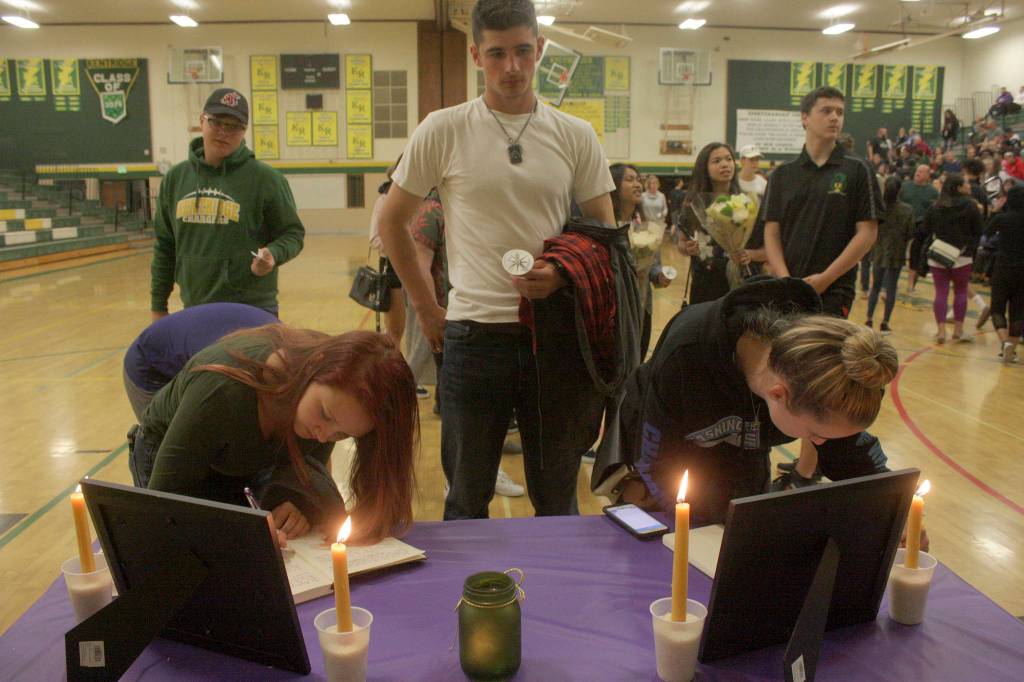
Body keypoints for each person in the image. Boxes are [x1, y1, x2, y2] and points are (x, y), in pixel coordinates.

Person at [377, 0, 616, 520]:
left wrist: (564, 274)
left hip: (553, 337)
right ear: (476, 55)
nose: (512, 67)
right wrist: (424, 307)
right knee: (466, 496)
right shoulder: (443, 129)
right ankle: (469, 600)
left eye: (524, 52)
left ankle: (558, 599)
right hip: (471, 335)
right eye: (498, 53)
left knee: (556, 495)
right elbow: (390, 222)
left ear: (541, 51)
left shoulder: (576, 135)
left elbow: (606, 237)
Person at [608, 276, 899, 526]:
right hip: (668, 465)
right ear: (777, 394)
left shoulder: (812, 376)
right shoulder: (687, 354)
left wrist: (893, 509)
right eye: (815, 436)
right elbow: (656, 459)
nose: (821, 443)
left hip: (744, 463)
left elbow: (851, 454)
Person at [128, 325, 418, 544]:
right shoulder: (221, 392)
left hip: (238, 457)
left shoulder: (327, 404)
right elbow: (164, 502)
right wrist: (241, 534)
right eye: (325, 414)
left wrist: (295, 504)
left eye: (341, 434)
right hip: (165, 455)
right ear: (313, 367)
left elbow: (304, 470)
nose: (322, 435)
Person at [762, 85, 881, 484]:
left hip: (833, 291)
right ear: (805, 117)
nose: (835, 118)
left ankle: (808, 468)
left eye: (840, 112)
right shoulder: (783, 174)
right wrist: (784, 279)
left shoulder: (857, 171)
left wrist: (825, 278)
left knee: (820, 380)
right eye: (826, 110)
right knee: (785, 373)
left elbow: (866, 234)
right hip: (787, 291)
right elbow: (772, 232)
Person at [151, 89, 305, 320]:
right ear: (202, 121)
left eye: (234, 126)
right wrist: (158, 306)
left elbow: (293, 234)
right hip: (194, 309)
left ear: (244, 131)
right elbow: (165, 247)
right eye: (216, 122)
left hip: (252, 310)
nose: (224, 132)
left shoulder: (267, 180)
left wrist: (273, 254)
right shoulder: (175, 179)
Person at [123, 303, 278, 421]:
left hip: (193, 346)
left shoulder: (289, 351)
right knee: (166, 444)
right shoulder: (232, 373)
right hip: (150, 363)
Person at [611, 163, 670, 357]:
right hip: (615, 306)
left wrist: (657, 275)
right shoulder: (606, 226)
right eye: (629, 180)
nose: (637, 184)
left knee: (639, 353)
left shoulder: (646, 225)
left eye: (638, 180)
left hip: (643, 303)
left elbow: (653, 264)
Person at [677, 142, 745, 305]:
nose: (725, 164)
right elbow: (681, 242)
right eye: (717, 161)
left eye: (728, 159)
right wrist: (688, 248)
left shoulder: (745, 202)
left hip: (739, 281)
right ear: (704, 167)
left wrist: (749, 254)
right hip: (704, 283)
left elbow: (760, 247)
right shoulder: (692, 204)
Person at [922, 173, 983, 344]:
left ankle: (941, 332)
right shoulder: (970, 206)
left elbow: (925, 228)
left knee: (941, 292)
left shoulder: (936, 206)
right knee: (961, 291)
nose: (968, 186)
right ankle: (958, 330)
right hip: (962, 255)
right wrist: (968, 246)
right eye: (965, 184)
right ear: (958, 187)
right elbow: (978, 230)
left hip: (939, 254)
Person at [865, 177, 915, 334]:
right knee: (891, 289)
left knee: (875, 287)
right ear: (900, 190)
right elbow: (910, 232)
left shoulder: (879, 208)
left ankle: (869, 319)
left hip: (879, 250)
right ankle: (885, 322)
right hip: (897, 252)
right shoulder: (907, 210)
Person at [368, 159, 407, 342]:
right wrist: (405, 246)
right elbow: (375, 239)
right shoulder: (383, 201)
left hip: (421, 267)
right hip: (392, 268)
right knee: (395, 331)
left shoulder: (421, 200)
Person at [985, 185, 1024, 363]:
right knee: (1017, 312)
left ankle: (1005, 344)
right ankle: (1013, 349)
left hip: (1003, 267)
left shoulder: (1002, 218)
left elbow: (985, 233)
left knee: (998, 308)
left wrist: (995, 210)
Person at [900, 164, 940, 293]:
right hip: (902, 225)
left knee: (916, 255)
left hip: (920, 226)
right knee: (897, 253)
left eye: (922, 172)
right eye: (917, 170)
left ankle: (911, 284)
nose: (918, 173)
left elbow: (934, 211)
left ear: (928, 176)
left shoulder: (933, 192)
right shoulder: (904, 186)